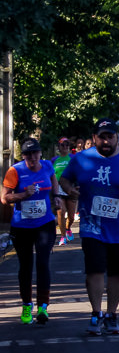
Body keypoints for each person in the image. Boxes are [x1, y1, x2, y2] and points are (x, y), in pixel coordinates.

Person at [59, 119, 119, 335]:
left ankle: (112, 314)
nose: (106, 141)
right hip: (92, 226)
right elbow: (64, 180)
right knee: (95, 269)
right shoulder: (82, 158)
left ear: (117, 138)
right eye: (102, 137)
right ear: (94, 138)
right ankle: (96, 312)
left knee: (118, 274)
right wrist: (70, 191)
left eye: (110, 136)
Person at [3, 139, 58, 324]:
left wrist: (56, 196)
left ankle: (43, 307)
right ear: (23, 156)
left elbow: (53, 179)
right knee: (25, 266)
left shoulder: (47, 165)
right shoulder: (15, 171)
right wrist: (23, 195)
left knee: (43, 262)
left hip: (45, 223)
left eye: (35, 153)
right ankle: (27, 305)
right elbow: (5, 198)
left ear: (40, 153)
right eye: (28, 154)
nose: (32, 157)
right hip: (22, 226)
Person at [51, 136, 77, 246]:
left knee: (71, 216)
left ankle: (68, 228)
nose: (65, 147)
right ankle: (62, 236)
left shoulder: (73, 158)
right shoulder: (54, 160)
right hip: (59, 188)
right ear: (59, 147)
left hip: (70, 188)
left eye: (67, 145)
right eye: (63, 145)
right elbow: (51, 174)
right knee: (61, 212)